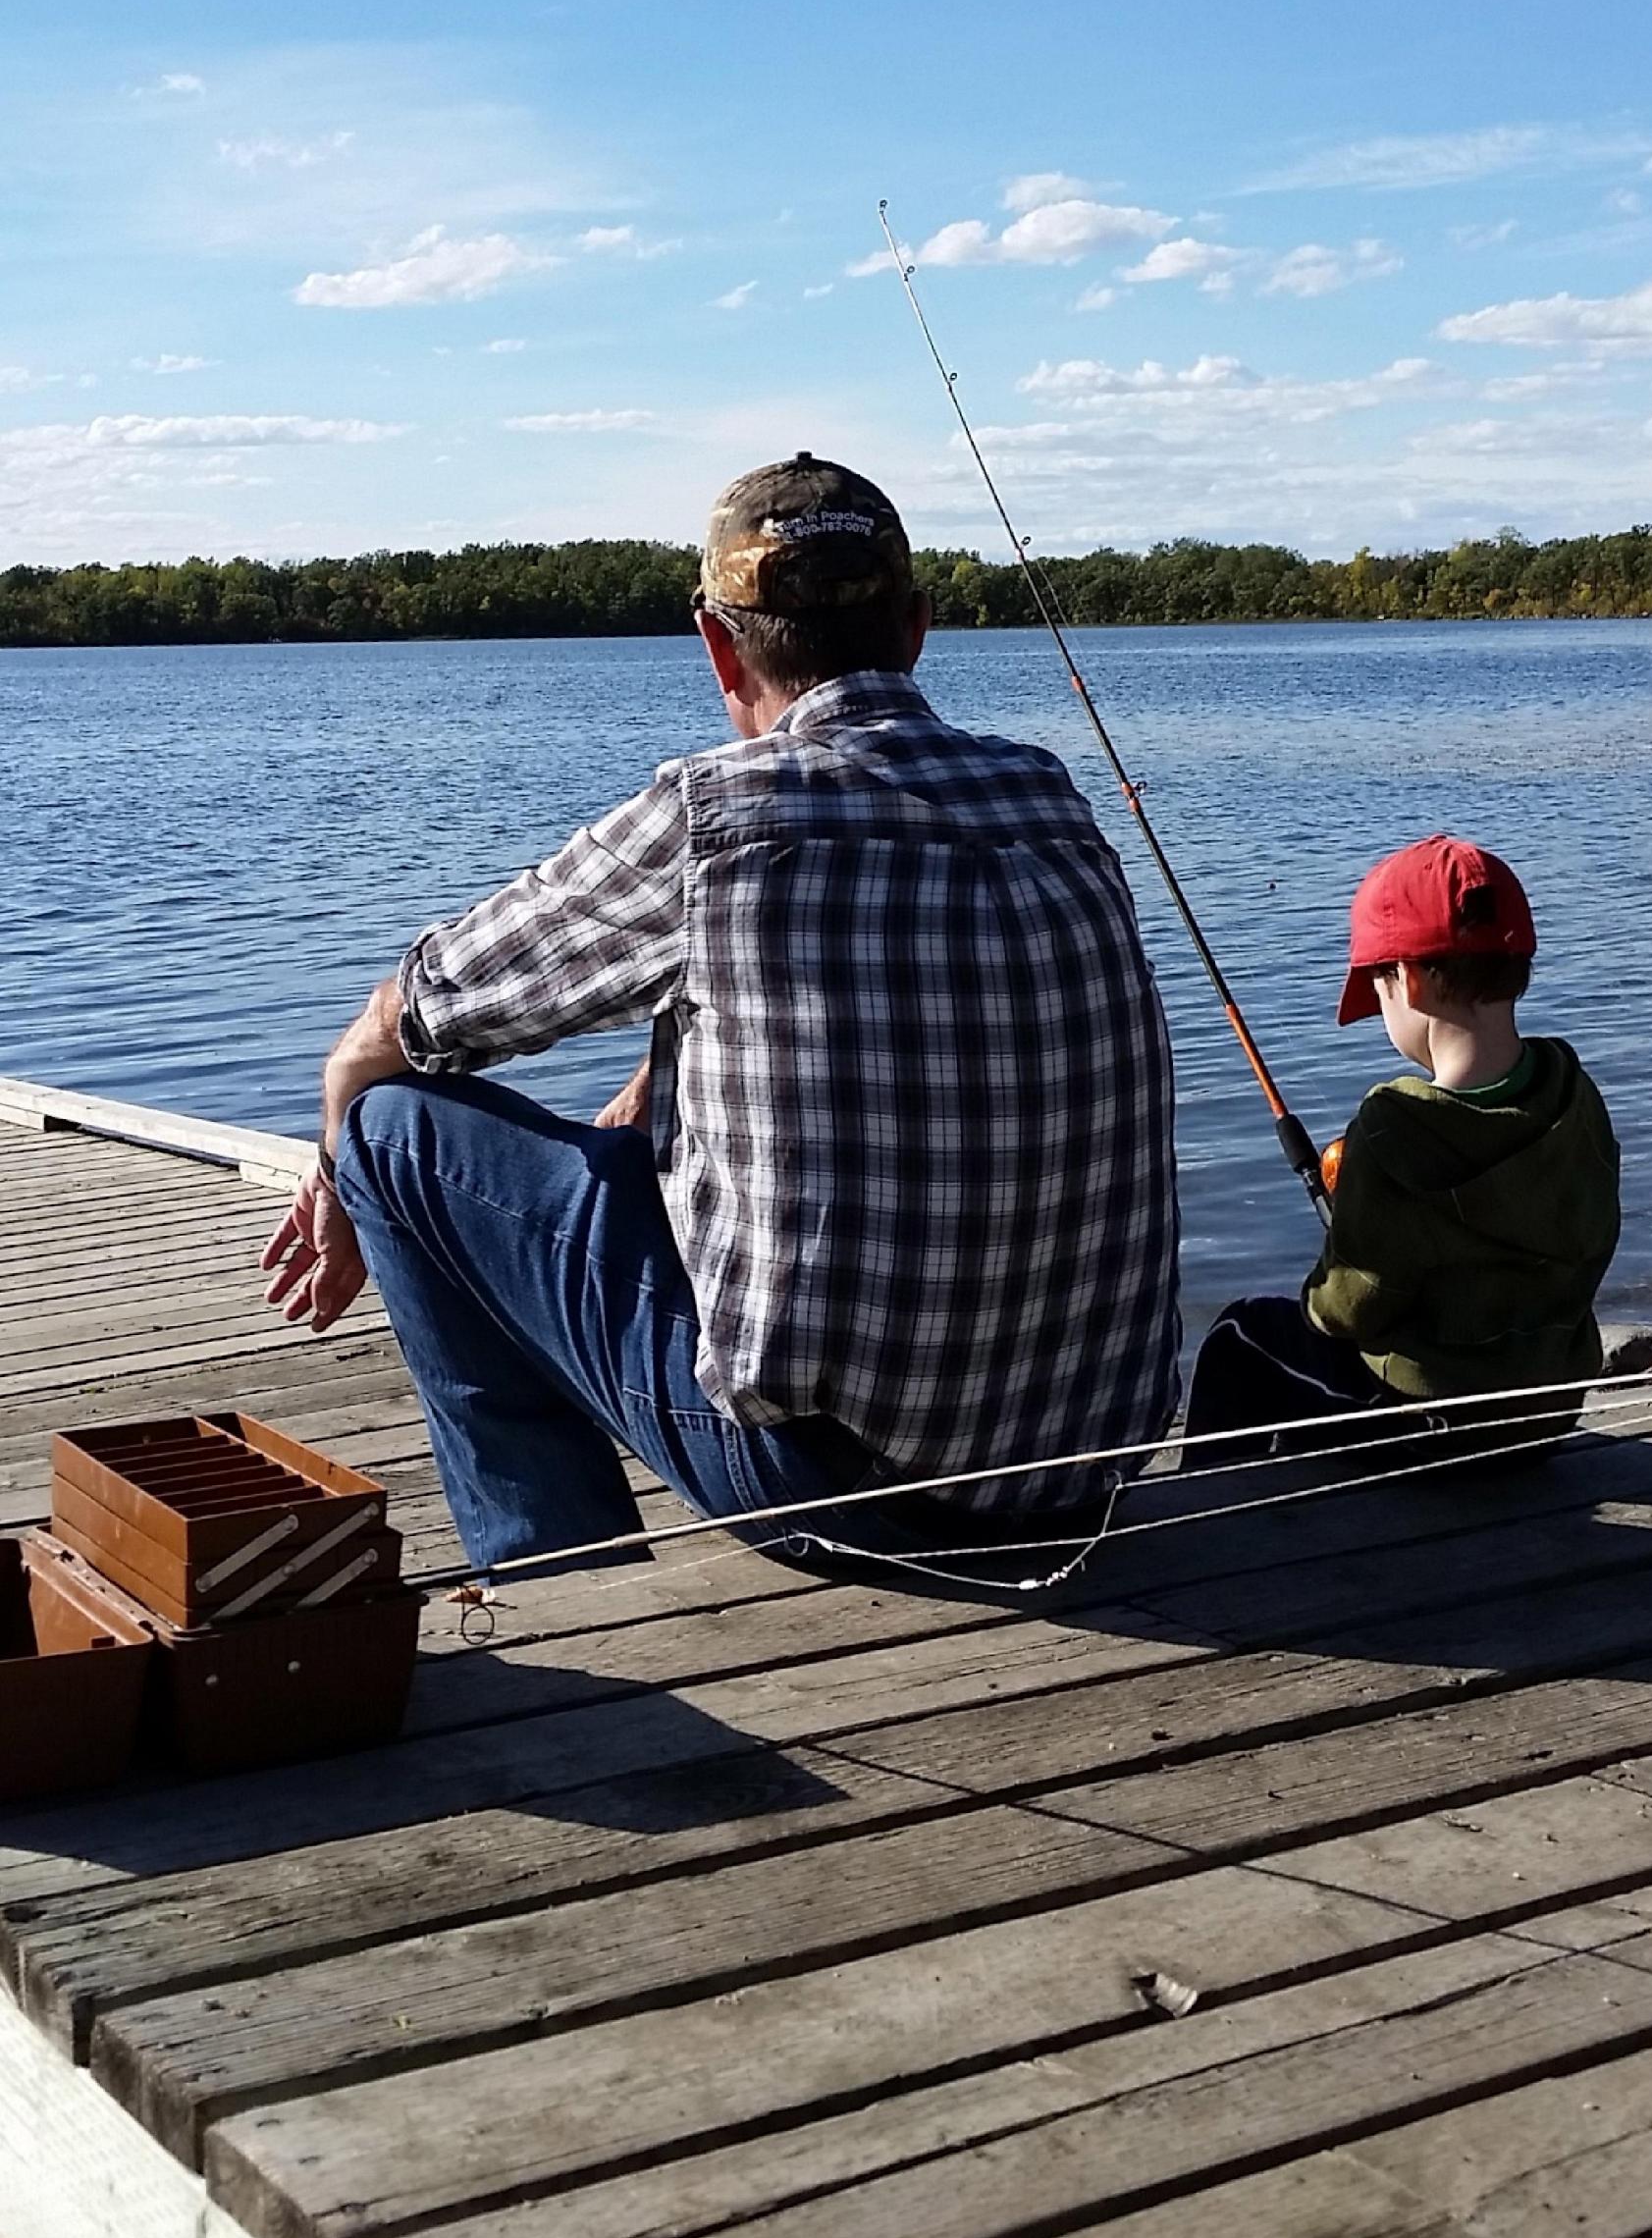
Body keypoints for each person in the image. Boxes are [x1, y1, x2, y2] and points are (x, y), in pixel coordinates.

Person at [263, 453, 1182, 1572]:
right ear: (918, 628)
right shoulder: (1050, 797)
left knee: (391, 1131)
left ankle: (557, 1569)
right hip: (1078, 1479)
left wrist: (335, 1156)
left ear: (717, 645)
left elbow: (407, 1020)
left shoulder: (716, 814)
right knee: (605, 1155)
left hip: (838, 1496)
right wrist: (657, 1092)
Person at [1183, 833, 1621, 1467]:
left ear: (1408, 981)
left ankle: (1210, 1532)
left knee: (1239, 1338)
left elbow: (1343, 1310)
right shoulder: (1576, 1097)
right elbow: (1591, 1238)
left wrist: (1339, 1249)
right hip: (1543, 1419)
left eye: (1378, 989)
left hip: (1431, 1430)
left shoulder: (1393, 1127)